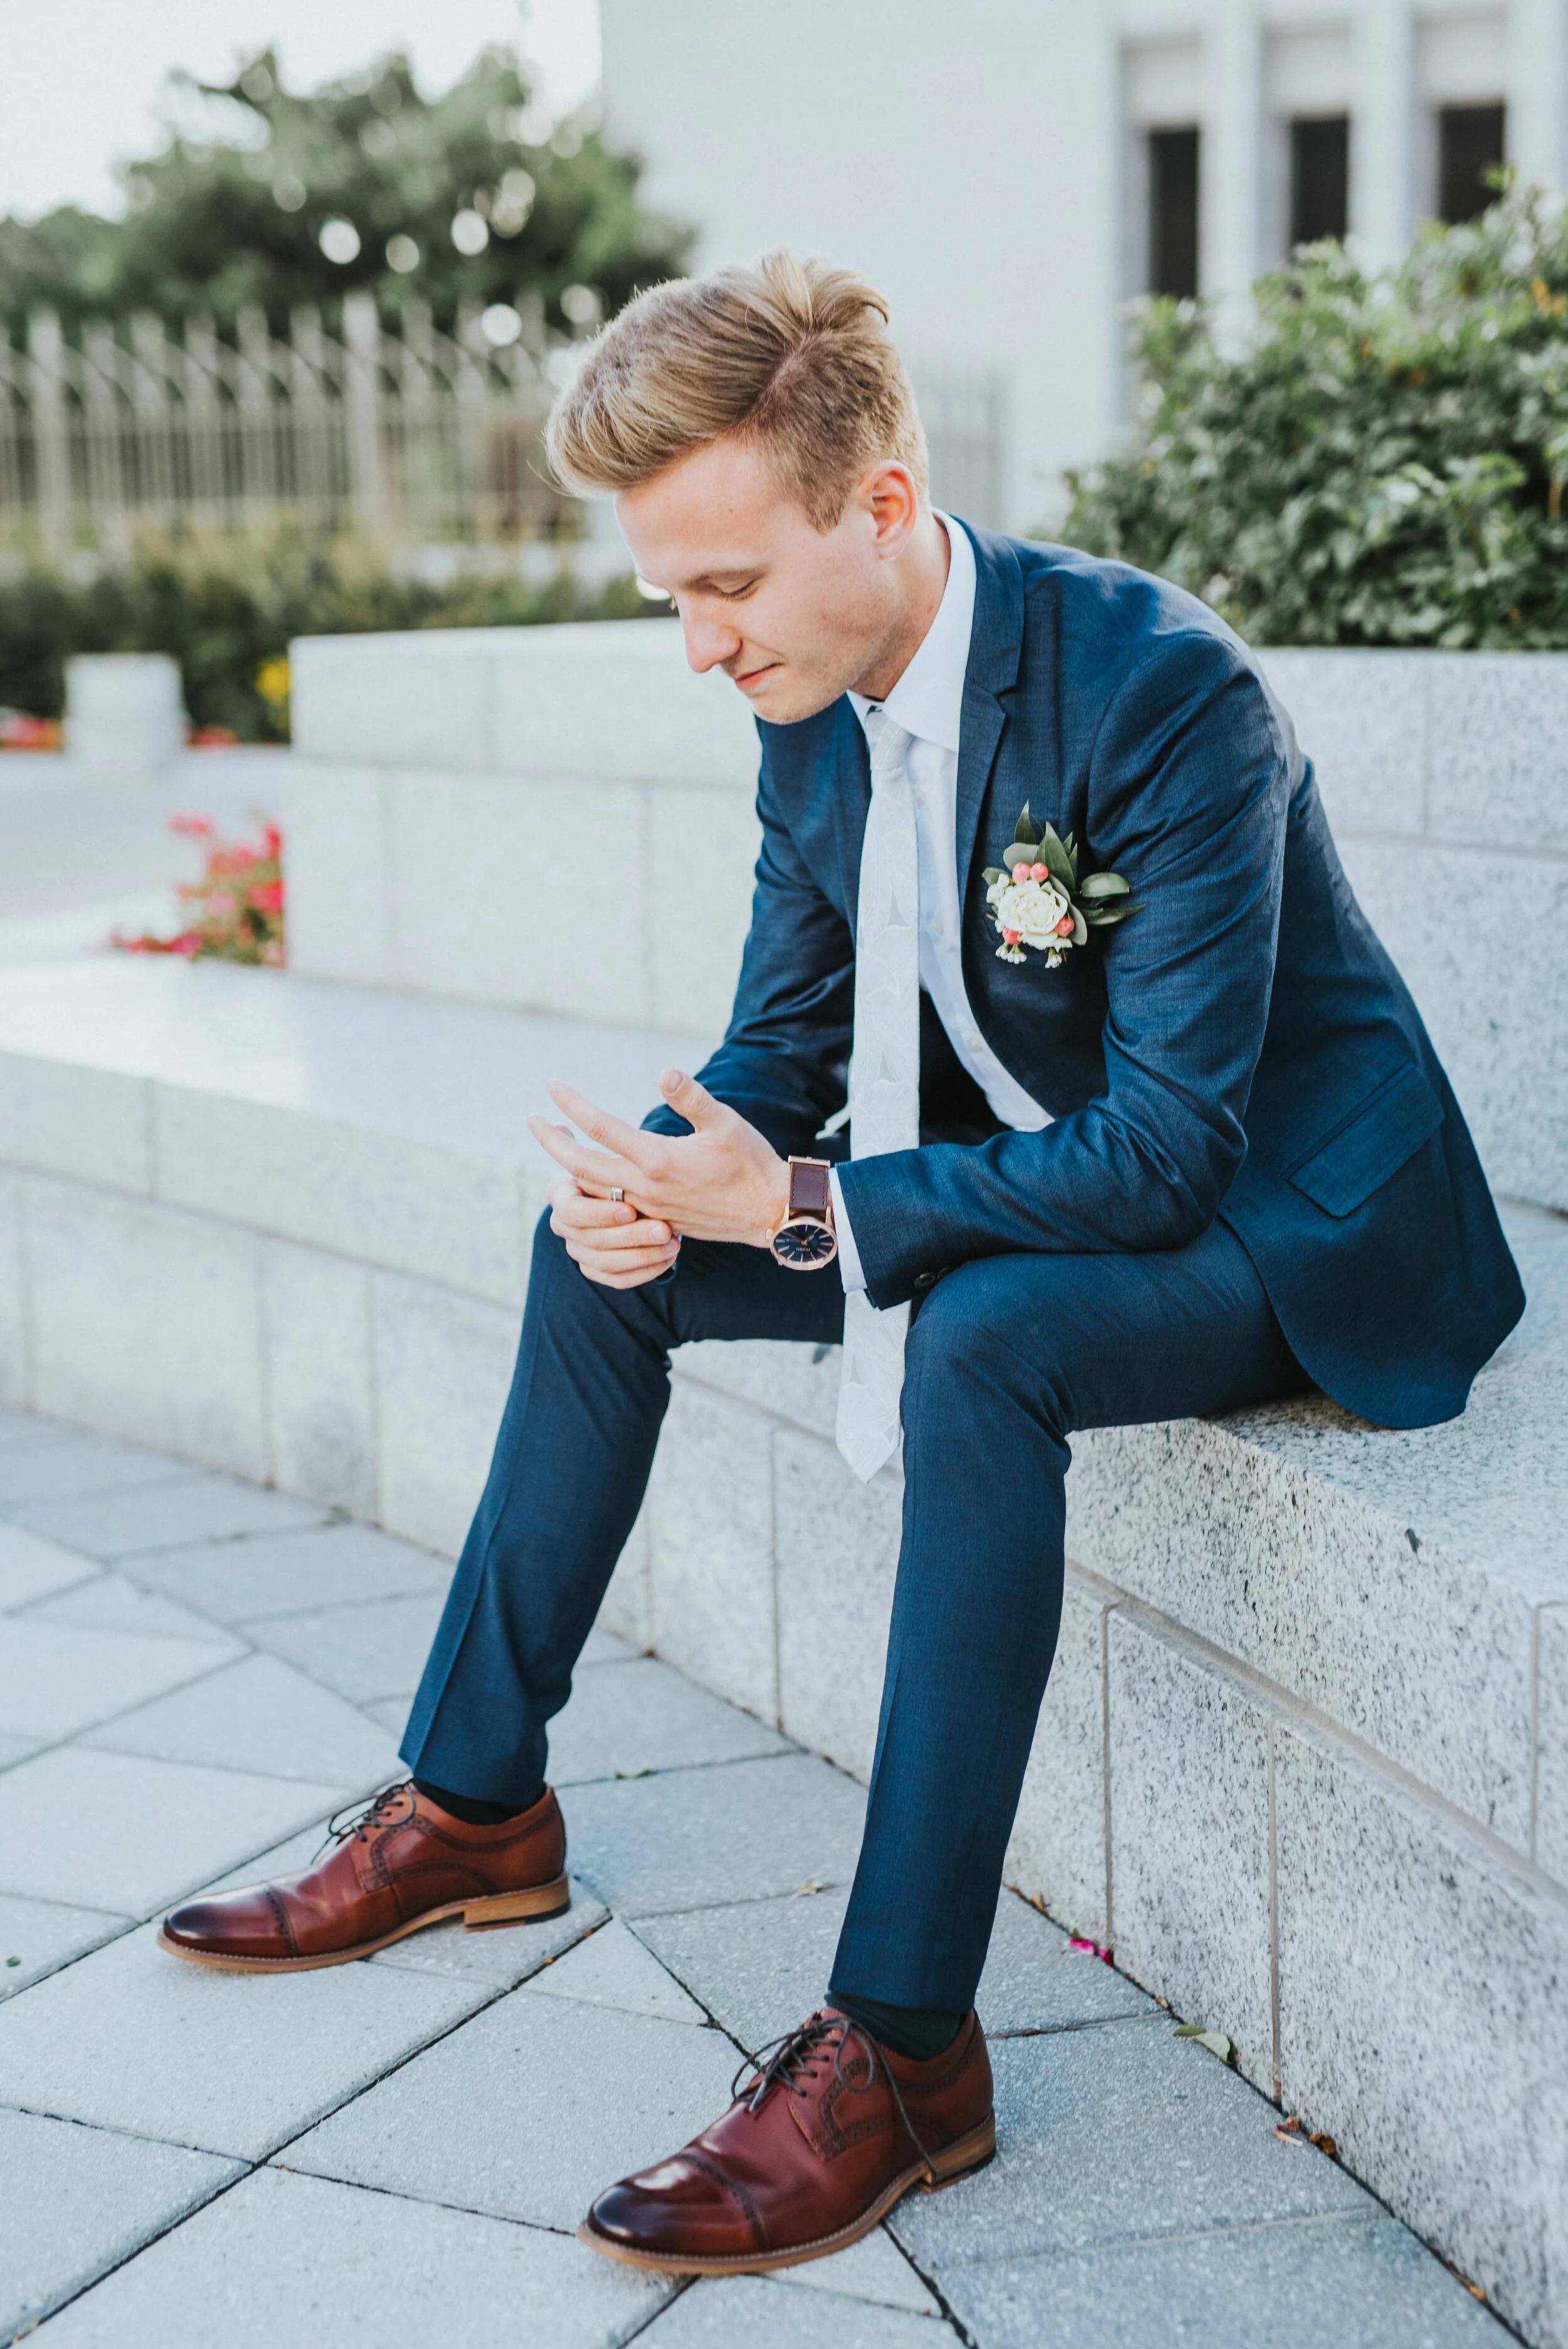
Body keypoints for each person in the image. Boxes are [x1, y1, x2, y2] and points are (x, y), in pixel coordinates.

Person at [158, 253, 1523, 2276]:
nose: (698, 646)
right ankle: (472, 1808)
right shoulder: (810, 707)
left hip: (1285, 1221)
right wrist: (670, 1165)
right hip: (1035, 1174)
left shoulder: (1160, 691)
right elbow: (784, 1052)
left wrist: (806, 1212)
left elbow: (1162, 1153)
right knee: (598, 1257)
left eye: (725, 586)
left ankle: (899, 2049)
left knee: (979, 1337)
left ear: (879, 507)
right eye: (672, 597)